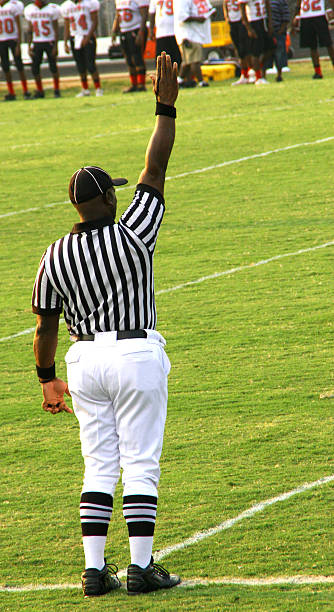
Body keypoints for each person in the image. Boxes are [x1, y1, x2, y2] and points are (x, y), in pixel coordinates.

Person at [31, 51, 181, 598]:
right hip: (135, 353)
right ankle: (141, 568)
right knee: (140, 461)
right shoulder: (134, 231)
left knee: (99, 465)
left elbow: (46, 325)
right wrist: (165, 108)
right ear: (110, 199)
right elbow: (155, 169)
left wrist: (46, 376)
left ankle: (95, 571)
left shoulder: (53, 254)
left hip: (83, 360)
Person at [61, 0, 103, 97]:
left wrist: (88, 37)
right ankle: (85, 89)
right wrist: (65, 42)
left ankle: (98, 88)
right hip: (75, 37)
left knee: (90, 64)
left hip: (87, 36)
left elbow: (95, 21)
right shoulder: (66, 6)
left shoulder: (90, 3)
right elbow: (67, 25)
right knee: (80, 65)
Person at [24, 0, 61, 98]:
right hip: (37, 42)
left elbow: (56, 28)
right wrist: (29, 46)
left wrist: (56, 45)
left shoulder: (52, 9)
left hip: (49, 41)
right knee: (35, 68)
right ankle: (40, 91)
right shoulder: (30, 9)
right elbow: (30, 30)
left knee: (53, 66)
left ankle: (57, 90)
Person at [174, 0, 215, 88]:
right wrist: (198, 19)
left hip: (197, 33)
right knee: (194, 61)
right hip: (188, 34)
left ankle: (179, 81)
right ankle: (201, 82)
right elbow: (181, 16)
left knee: (188, 61)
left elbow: (208, 8)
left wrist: (211, 12)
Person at [112, 0, 149, 93]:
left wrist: (141, 32)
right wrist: (114, 30)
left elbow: (144, 15)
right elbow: (118, 15)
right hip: (124, 30)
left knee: (137, 58)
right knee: (128, 59)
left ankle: (141, 84)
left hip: (135, 29)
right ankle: (134, 84)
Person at [291, 0, 334, 79]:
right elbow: (298, 4)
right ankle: (317, 71)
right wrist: (296, 16)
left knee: (328, 44)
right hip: (306, 16)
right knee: (312, 46)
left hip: (319, 15)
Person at [0, 0, 31, 100]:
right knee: (5, 67)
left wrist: (19, 43)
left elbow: (19, 26)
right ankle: (11, 92)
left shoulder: (13, 6)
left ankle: (26, 91)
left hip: (13, 39)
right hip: (1, 40)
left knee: (19, 66)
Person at [239, 0, 276, 84]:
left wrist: (270, 22)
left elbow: (267, 5)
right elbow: (242, 10)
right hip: (253, 22)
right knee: (255, 51)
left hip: (263, 20)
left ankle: (258, 68)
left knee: (272, 48)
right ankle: (258, 77)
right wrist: (249, 28)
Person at [223, 0, 252, 85]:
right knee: (239, 51)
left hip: (241, 22)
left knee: (245, 49)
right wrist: (226, 16)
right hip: (233, 23)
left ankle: (251, 72)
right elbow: (225, 3)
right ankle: (244, 75)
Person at [148, 0, 182, 68]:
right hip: (161, 33)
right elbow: (152, 12)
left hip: (177, 33)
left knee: (178, 62)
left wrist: (151, 29)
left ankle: (179, 78)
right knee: (162, 63)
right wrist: (151, 29)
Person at [267, 0, 289, 81]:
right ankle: (263, 75)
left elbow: (286, 16)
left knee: (279, 53)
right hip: (267, 31)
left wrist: (281, 30)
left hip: (278, 30)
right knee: (266, 53)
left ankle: (279, 74)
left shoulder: (281, 1)